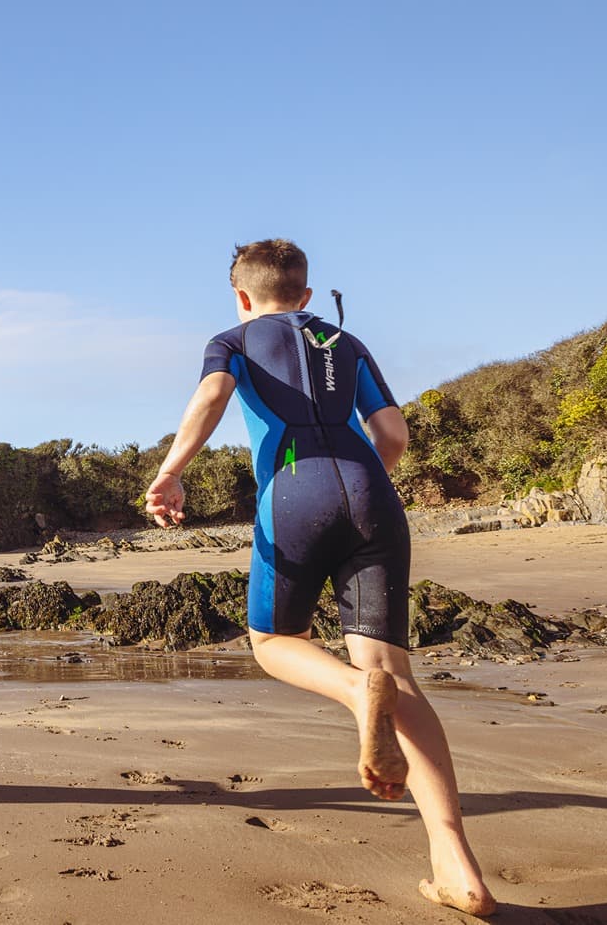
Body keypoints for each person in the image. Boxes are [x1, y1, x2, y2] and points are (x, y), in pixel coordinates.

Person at [144, 239, 495, 917]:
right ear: (305, 295)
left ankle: (355, 692)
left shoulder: (232, 339)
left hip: (294, 491)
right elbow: (390, 433)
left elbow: (214, 395)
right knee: (398, 675)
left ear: (242, 298)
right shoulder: (347, 341)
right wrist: (363, 489)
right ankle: (459, 867)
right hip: (371, 494)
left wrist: (172, 470)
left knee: (274, 642)